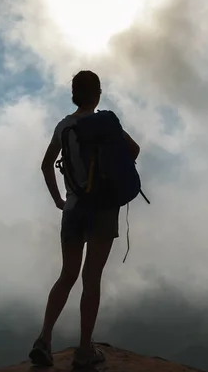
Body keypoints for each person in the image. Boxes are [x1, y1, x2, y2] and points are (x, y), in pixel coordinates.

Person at [29, 70, 140, 368]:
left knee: (67, 275)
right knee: (92, 279)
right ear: (98, 94)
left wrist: (58, 200)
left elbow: (45, 165)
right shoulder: (106, 122)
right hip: (103, 208)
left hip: (73, 209)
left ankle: (44, 339)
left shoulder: (64, 126)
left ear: (74, 94)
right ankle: (83, 351)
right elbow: (134, 150)